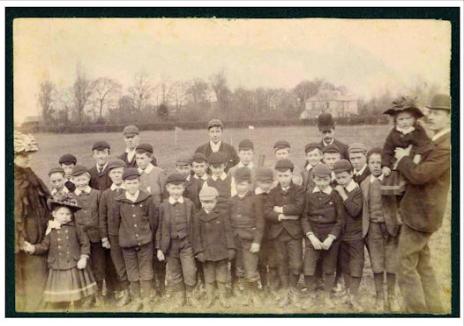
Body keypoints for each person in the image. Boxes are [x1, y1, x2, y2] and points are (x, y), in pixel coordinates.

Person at [394, 94, 451, 313]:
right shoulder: (436, 141)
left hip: (421, 216)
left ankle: (417, 313)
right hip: (419, 213)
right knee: (423, 265)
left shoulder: (445, 147)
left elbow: (419, 176)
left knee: (405, 266)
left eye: (437, 114)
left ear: (449, 118)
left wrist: (402, 159)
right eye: (430, 113)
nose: (431, 118)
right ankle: (435, 310)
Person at [21, 196, 97, 310]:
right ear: (54, 214)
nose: (65, 217)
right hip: (58, 265)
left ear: (71, 216)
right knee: (62, 293)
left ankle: (80, 307)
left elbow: (85, 243)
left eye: (68, 214)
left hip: (74, 264)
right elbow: (44, 246)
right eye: (61, 214)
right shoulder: (51, 229)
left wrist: (83, 257)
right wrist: (32, 248)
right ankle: (63, 309)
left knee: (77, 291)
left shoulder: (76, 228)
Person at [361, 148, 400, 312]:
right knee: (376, 263)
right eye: (372, 162)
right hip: (373, 229)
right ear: (368, 164)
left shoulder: (393, 179)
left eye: (379, 162)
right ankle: (379, 297)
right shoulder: (364, 183)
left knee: (391, 262)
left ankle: (391, 297)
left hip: (391, 228)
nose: (376, 166)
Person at [14, 131, 50, 311]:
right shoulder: (13, 179)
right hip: (22, 233)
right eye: (22, 155)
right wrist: (19, 238)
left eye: (28, 154)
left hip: (38, 231)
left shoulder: (31, 175)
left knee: (37, 271)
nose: (27, 158)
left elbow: (45, 200)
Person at [113, 168, 158, 311]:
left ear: (139, 183)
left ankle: (147, 299)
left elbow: (153, 221)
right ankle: (136, 299)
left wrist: (148, 236)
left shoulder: (147, 198)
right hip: (127, 243)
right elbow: (115, 222)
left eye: (135, 182)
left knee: (146, 269)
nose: (132, 186)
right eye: (129, 183)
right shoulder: (119, 200)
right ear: (124, 184)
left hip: (145, 242)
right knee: (131, 271)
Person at [302, 163, 344, 309]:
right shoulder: (308, 194)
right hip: (312, 235)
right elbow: (304, 218)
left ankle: (327, 296)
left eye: (325, 180)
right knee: (308, 267)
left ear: (330, 178)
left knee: (329, 267)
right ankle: (310, 295)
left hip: (330, 236)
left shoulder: (335, 195)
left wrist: (331, 238)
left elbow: (340, 220)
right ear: (313, 179)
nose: (321, 183)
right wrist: (311, 236)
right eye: (318, 180)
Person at [264, 159, 305, 307]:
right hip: (278, 234)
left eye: (286, 175)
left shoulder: (299, 190)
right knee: (281, 263)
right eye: (280, 176)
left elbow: (299, 209)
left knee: (296, 264)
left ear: (291, 174)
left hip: (294, 234)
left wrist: (280, 209)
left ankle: (293, 290)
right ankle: (286, 292)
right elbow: (267, 211)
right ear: (277, 176)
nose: (283, 179)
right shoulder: (273, 192)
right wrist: (282, 216)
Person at [156, 173, 198, 307]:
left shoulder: (189, 204)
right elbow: (159, 228)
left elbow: (195, 226)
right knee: (175, 272)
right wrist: (160, 249)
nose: (176, 191)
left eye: (179, 188)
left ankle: (191, 295)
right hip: (170, 245)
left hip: (186, 244)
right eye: (173, 188)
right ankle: (180, 296)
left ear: (183, 188)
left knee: (190, 270)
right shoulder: (163, 206)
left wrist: (195, 245)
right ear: (168, 188)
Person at [192, 186, 235, 308]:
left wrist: (231, 248)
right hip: (207, 254)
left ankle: (222, 297)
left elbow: (228, 232)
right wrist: (199, 251)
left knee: (222, 276)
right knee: (209, 277)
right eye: (205, 202)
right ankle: (210, 298)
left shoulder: (222, 214)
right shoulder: (197, 217)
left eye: (211, 202)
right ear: (201, 202)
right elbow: (196, 236)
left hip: (221, 252)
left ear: (216, 201)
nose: (208, 205)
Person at [228, 167, 265, 306]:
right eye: (238, 183)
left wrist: (257, 241)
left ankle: (254, 294)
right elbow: (229, 223)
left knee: (251, 268)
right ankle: (244, 294)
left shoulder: (255, 200)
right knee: (239, 268)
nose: (240, 187)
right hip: (236, 240)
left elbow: (260, 223)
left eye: (243, 184)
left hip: (250, 240)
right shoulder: (231, 201)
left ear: (250, 185)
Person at [70, 165, 105, 306]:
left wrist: (103, 236)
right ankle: (88, 295)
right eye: (77, 179)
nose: (81, 182)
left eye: (84, 178)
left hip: (96, 237)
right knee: (85, 267)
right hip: (80, 239)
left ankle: (99, 295)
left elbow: (102, 215)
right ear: (72, 180)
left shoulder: (97, 194)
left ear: (88, 178)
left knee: (99, 266)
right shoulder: (70, 197)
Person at [98, 159, 131, 307]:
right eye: (114, 173)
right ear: (109, 175)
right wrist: (105, 237)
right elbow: (102, 217)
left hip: (130, 234)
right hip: (113, 236)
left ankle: (135, 290)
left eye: (120, 172)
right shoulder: (105, 194)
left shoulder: (130, 190)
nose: (117, 175)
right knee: (118, 264)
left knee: (131, 262)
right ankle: (125, 291)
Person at [333, 160, 363, 310]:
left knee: (356, 263)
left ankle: (354, 294)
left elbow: (355, 211)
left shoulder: (357, 190)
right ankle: (348, 292)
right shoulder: (337, 190)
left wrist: (342, 193)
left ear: (351, 174)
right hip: (342, 235)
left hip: (355, 235)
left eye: (344, 177)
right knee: (344, 264)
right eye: (338, 178)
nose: (341, 181)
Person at [254, 168, 278, 295]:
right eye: (262, 182)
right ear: (257, 182)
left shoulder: (274, 194)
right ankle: (264, 285)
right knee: (261, 261)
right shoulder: (254, 196)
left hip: (274, 233)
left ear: (273, 182)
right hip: (260, 235)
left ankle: (273, 285)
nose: (265, 185)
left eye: (268, 182)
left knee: (274, 261)